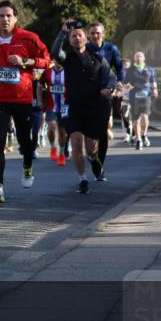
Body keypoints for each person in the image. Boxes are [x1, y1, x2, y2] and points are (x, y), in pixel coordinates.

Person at [0, 1, 50, 204]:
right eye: (1, 15)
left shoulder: (28, 38)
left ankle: (27, 166)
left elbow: (46, 60)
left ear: (16, 18)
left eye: (9, 15)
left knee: (25, 142)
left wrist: (25, 62)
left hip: (22, 98)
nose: (5, 19)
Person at [51, 21, 115, 193]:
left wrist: (107, 89)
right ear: (70, 40)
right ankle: (83, 179)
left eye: (80, 35)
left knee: (91, 148)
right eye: (74, 36)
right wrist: (62, 33)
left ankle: (94, 159)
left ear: (85, 39)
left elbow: (110, 77)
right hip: (74, 107)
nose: (77, 38)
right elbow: (55, 52)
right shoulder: (67, 59)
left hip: (93, 108)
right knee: (76, 141)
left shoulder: (98, 59)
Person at [87, 22, 123, 174]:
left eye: (98, 33)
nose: (95, 36)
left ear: (103, 34)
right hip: (88, 93)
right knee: (89, 130)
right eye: (92, 33)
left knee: (102, 130)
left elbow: (120, 66)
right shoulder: (85, 49)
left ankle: (100, 163)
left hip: (106, 92)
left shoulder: (111, 48)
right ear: (88, 35)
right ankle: (92, 154)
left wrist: (119, 82)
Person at [123, 51, 157, 150]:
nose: (138, 57)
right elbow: (125, 83)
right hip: (134, 96)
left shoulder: (150, 69)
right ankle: (138, 139)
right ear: (134, 58)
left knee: (145, 117)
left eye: (140, 56)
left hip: (146, 95)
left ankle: (144, 135)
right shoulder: (130, 70)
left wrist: (155, 89)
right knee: (136, 119)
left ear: (144, 58)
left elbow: (153, 80)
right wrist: (127, 87)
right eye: (136, 56)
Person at [44, 60, 69, 165]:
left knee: (63, 132)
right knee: (52, 127)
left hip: (65, 107)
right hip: (51, 106)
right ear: (53, 61)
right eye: (56, 61)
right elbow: (40, 86)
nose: (58, 63)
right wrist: (40, 100)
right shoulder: (47, 72)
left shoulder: (68, 72)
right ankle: (53, 147)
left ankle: (62, 153)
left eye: (61, 61)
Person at [120, 57, 133, 142]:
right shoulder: (119, 74)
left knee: (133, 117)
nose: (126, 67)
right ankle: (127, 135)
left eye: (127, 65)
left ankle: (134, 134)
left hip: (134, 97)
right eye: (124, 65)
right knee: (125, 116)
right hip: (124, 97)